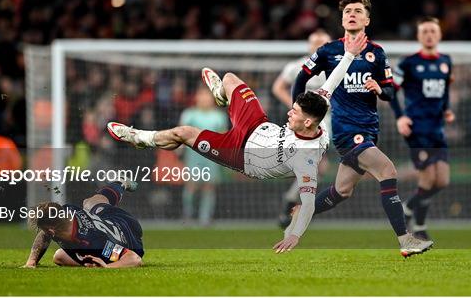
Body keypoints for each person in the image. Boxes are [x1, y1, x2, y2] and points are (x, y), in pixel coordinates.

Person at [107, 31, 368, 253]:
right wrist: (349, 54)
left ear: (308, 123)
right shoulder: (317, 106)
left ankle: (139, 138)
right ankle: (222, 95)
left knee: (183, 133)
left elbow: (309, 202)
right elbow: (332, 82)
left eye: (295, 112)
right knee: (231, 78)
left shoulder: (307, 158)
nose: (289, 111)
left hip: (240, 154)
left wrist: (294, 234)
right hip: (257, 125)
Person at [291, 0, 433, 257]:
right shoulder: (328, 51)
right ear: (342, 20)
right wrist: (297, 109)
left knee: (341, 191)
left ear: (367, 19)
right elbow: (301, 78)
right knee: (388, 170)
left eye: (358, 11)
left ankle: (302, 211)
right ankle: (406, 239)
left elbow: (391, 92)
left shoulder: (377, 53)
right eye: (347, 11)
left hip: (369, 129)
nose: (352, 14)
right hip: (346, 131)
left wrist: (380, 88)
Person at [390, 17, 455, 240]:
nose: (429, 34)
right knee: (427, 179)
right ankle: (419, 225)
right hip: (417, 129)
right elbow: (391, 92)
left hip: (437, 129)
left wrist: (446, 110)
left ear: (439, 35)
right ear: (419, 36)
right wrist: (400, 118)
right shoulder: (407, 63)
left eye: (432, 31)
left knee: (442, 181)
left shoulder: (446, 61)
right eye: (424, 31)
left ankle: (408, 208)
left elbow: (444, 90)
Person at [272, 29, 332, 228]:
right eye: (315, 42)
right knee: (316, 165)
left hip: (332, 121)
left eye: (323, 42)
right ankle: (294, 205)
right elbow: (278, 87)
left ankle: (293, 203)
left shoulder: (336, 67)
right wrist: (295, 108)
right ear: (308, 45)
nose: (318, 45)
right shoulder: (298, 66)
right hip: (306, 124)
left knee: (319, 167)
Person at [23, 180, 144, 268]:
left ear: (51, 231)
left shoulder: (95, 242)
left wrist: (107, 267)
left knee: (90, 203)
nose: (43, 232)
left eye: (43, 229)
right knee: (59, 256)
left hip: (127, 230)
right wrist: (31, 262)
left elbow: (134, 258)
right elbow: (45, 234)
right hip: (103, 221)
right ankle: (92, 263)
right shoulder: (68, 210)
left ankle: (121, 183)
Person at [179, 87, 227, 226]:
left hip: (211, 156)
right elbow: (181, 133)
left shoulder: (219, 116)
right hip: (193, 156)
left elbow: (223, 136)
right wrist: (179, 148)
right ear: (197, 98)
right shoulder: (189, 114)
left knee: (209, 187)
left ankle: (205, 219)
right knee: (191, 186)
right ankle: (187, 216)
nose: (205, 99)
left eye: (207, 96)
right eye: (202, 95)